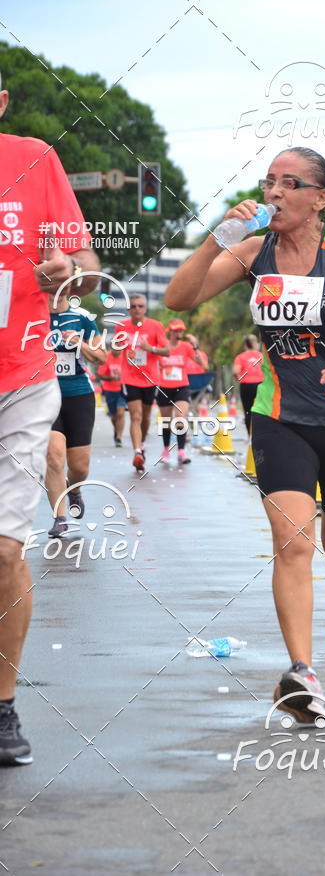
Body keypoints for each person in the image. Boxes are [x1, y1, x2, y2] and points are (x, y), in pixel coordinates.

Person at [166, 146, 325, 724]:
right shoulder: (254, 251)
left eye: (290, 183)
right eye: (268, 182)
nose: (274, 193)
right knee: (293, 542)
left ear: (319, 199)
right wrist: (215, 238)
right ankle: (301, 673)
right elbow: (179, 298)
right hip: (280, 419)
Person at [0, 72, 100, 764]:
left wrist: (68, 270)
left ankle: (2, 708)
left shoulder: (33, 159)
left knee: (4, 549)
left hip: (22, 378)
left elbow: (87, 268)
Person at [45, 295, 107, 536]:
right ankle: (60, 518)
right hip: (44, 395)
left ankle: (74, 489)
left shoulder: (82, 318)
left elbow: (101, 358)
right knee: (54, 455)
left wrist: (79, 343)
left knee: (79, 467)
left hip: (79, 395)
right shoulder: (35, 318)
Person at [116, 294, 169, 472]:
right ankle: (137, 451)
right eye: (133, 306)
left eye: (140, 306)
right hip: (129, 377)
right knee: (135, 416)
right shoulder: (121, 327)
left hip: (150, 378)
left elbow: (167, 351)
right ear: (129, 309)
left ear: (145, 309)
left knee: (145, 417)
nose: (137, 309)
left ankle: (142, 443)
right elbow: (116, 353)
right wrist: (117, 347)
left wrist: (150, 348)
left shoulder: (155, 326)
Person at [156, 320, 205, 465]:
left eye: (181, 331)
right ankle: (166, 450)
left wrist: (195, 346)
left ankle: (182, 451)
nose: (179, 333)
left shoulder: (186, 347)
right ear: (169, 331)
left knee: (180, 418)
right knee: (166, 421)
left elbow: (203, 364)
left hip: (181, 387)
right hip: (164, 387)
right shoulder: (161, 348)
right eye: (176, 331)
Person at [233, 335, 263, 436]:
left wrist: (240, 379)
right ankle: (260, 434)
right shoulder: (261, 355)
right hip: (260, 385)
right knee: (261, 410)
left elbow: (235, 371)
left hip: (246, 385)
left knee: (248, 411)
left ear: (245, 344)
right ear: (255, 344)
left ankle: (250, 436)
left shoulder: (240, 357)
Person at [97, 348, 126, 447]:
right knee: (114, 415)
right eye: (116, 348)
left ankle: (118, 437)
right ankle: (116, 429)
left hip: (122, 389)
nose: (118, 351)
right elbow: (101, 375)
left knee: (121, 413)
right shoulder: (106, 357)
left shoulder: (125, 356)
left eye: (120, 349)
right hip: (109, 390)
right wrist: (112, 378)